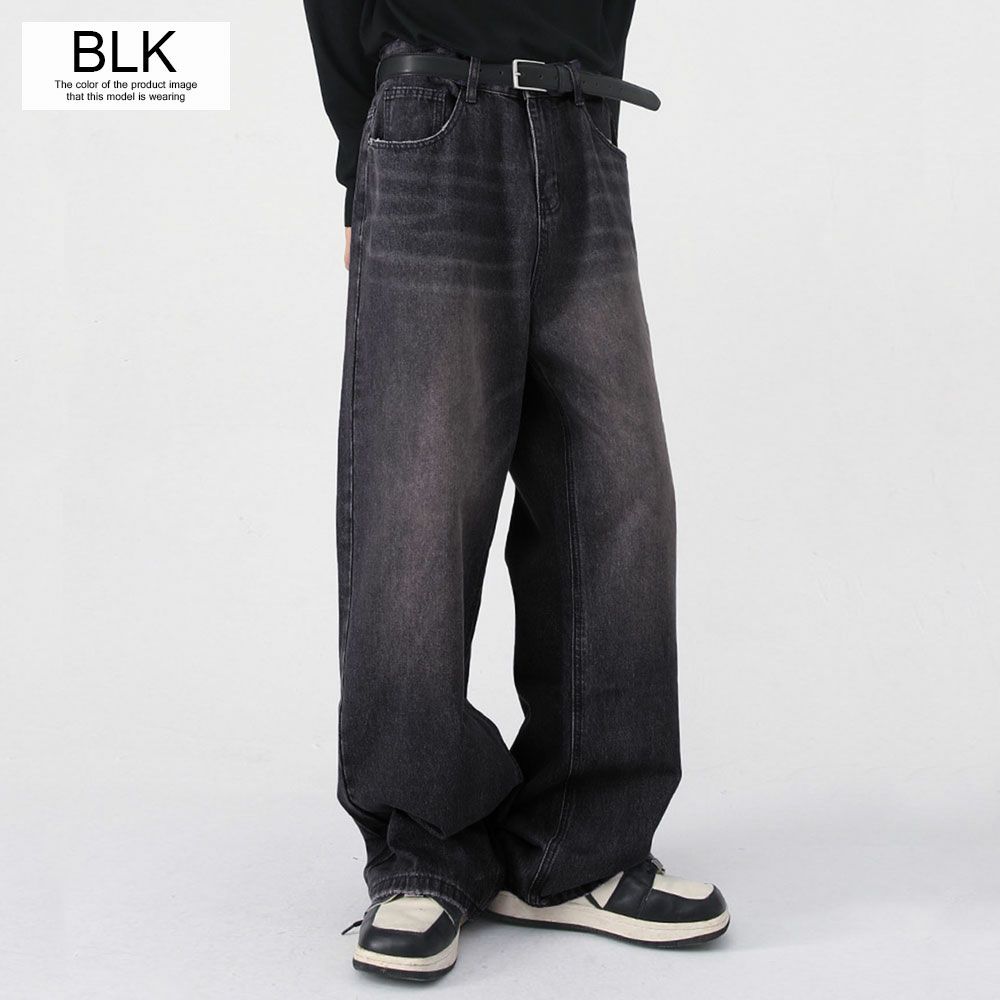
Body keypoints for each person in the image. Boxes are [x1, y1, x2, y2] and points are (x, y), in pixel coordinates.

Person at [302, 0, 730, 981]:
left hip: (580, 124)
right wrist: (363, 163)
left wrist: (589, 117)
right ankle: (421, 851)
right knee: (419, 498)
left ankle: (579, 847)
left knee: (617, 496)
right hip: (431, 121)